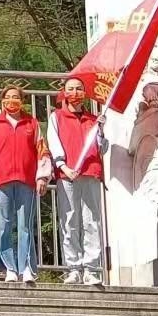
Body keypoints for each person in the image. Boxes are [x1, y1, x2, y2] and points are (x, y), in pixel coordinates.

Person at [0, 83, 47, 284]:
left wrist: (42, 176)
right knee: (4, 225)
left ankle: (26, 267)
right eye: (8, 97)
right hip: (1, 180)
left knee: (25, 226)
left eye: (16, 97)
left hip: (26, 181)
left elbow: (42, 150)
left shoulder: (32, 123)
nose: (12, 100)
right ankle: (9, 267)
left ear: (22, 100)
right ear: (2, 101)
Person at [47, 75, 105, 286]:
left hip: (90, 173)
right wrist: (63, 166)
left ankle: (91, 268)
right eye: (70, 89)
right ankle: (73, 268)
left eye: (79, 88)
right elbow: (53, 142)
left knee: (92, 221)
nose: (75, 93)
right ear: (64, 92)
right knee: (69, 221)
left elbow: (102, 149)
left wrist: (100, 131)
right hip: (67, 174)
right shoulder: (57, 117)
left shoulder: (92, 120)